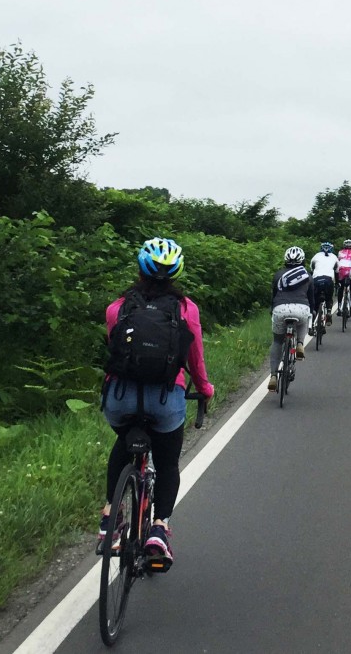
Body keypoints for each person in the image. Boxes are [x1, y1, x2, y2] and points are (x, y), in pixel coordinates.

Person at [100, 237, 214, 569]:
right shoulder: (186, 309)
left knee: (123, 443)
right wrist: (205, 389)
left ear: (139, 268)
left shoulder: (117, 307)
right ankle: (159, 529)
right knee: (166, 465)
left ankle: (110, 516)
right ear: (176, 272)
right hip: (165, 400)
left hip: (120, 399)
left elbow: (116, 350)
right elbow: (195, 360)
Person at [269, 246, 314, 391]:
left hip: (280, 309)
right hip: (301, 309)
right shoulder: (307, 275)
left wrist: (273, 311)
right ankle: (300, 343)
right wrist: (311, 311)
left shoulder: (278, 275)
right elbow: (311, 299)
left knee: (277, 341)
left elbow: (274, 296)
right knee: (303, 321)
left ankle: (273, 376)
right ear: (302, 260)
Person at [309, 241, 338, 328]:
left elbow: (311, 269)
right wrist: (337, 283)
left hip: (316, 280)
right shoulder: (334, 257)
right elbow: (337, 271)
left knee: (315, 302)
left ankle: (313, 321)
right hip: (329, 280)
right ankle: (329, 311)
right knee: (329, 298)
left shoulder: (316, 256)